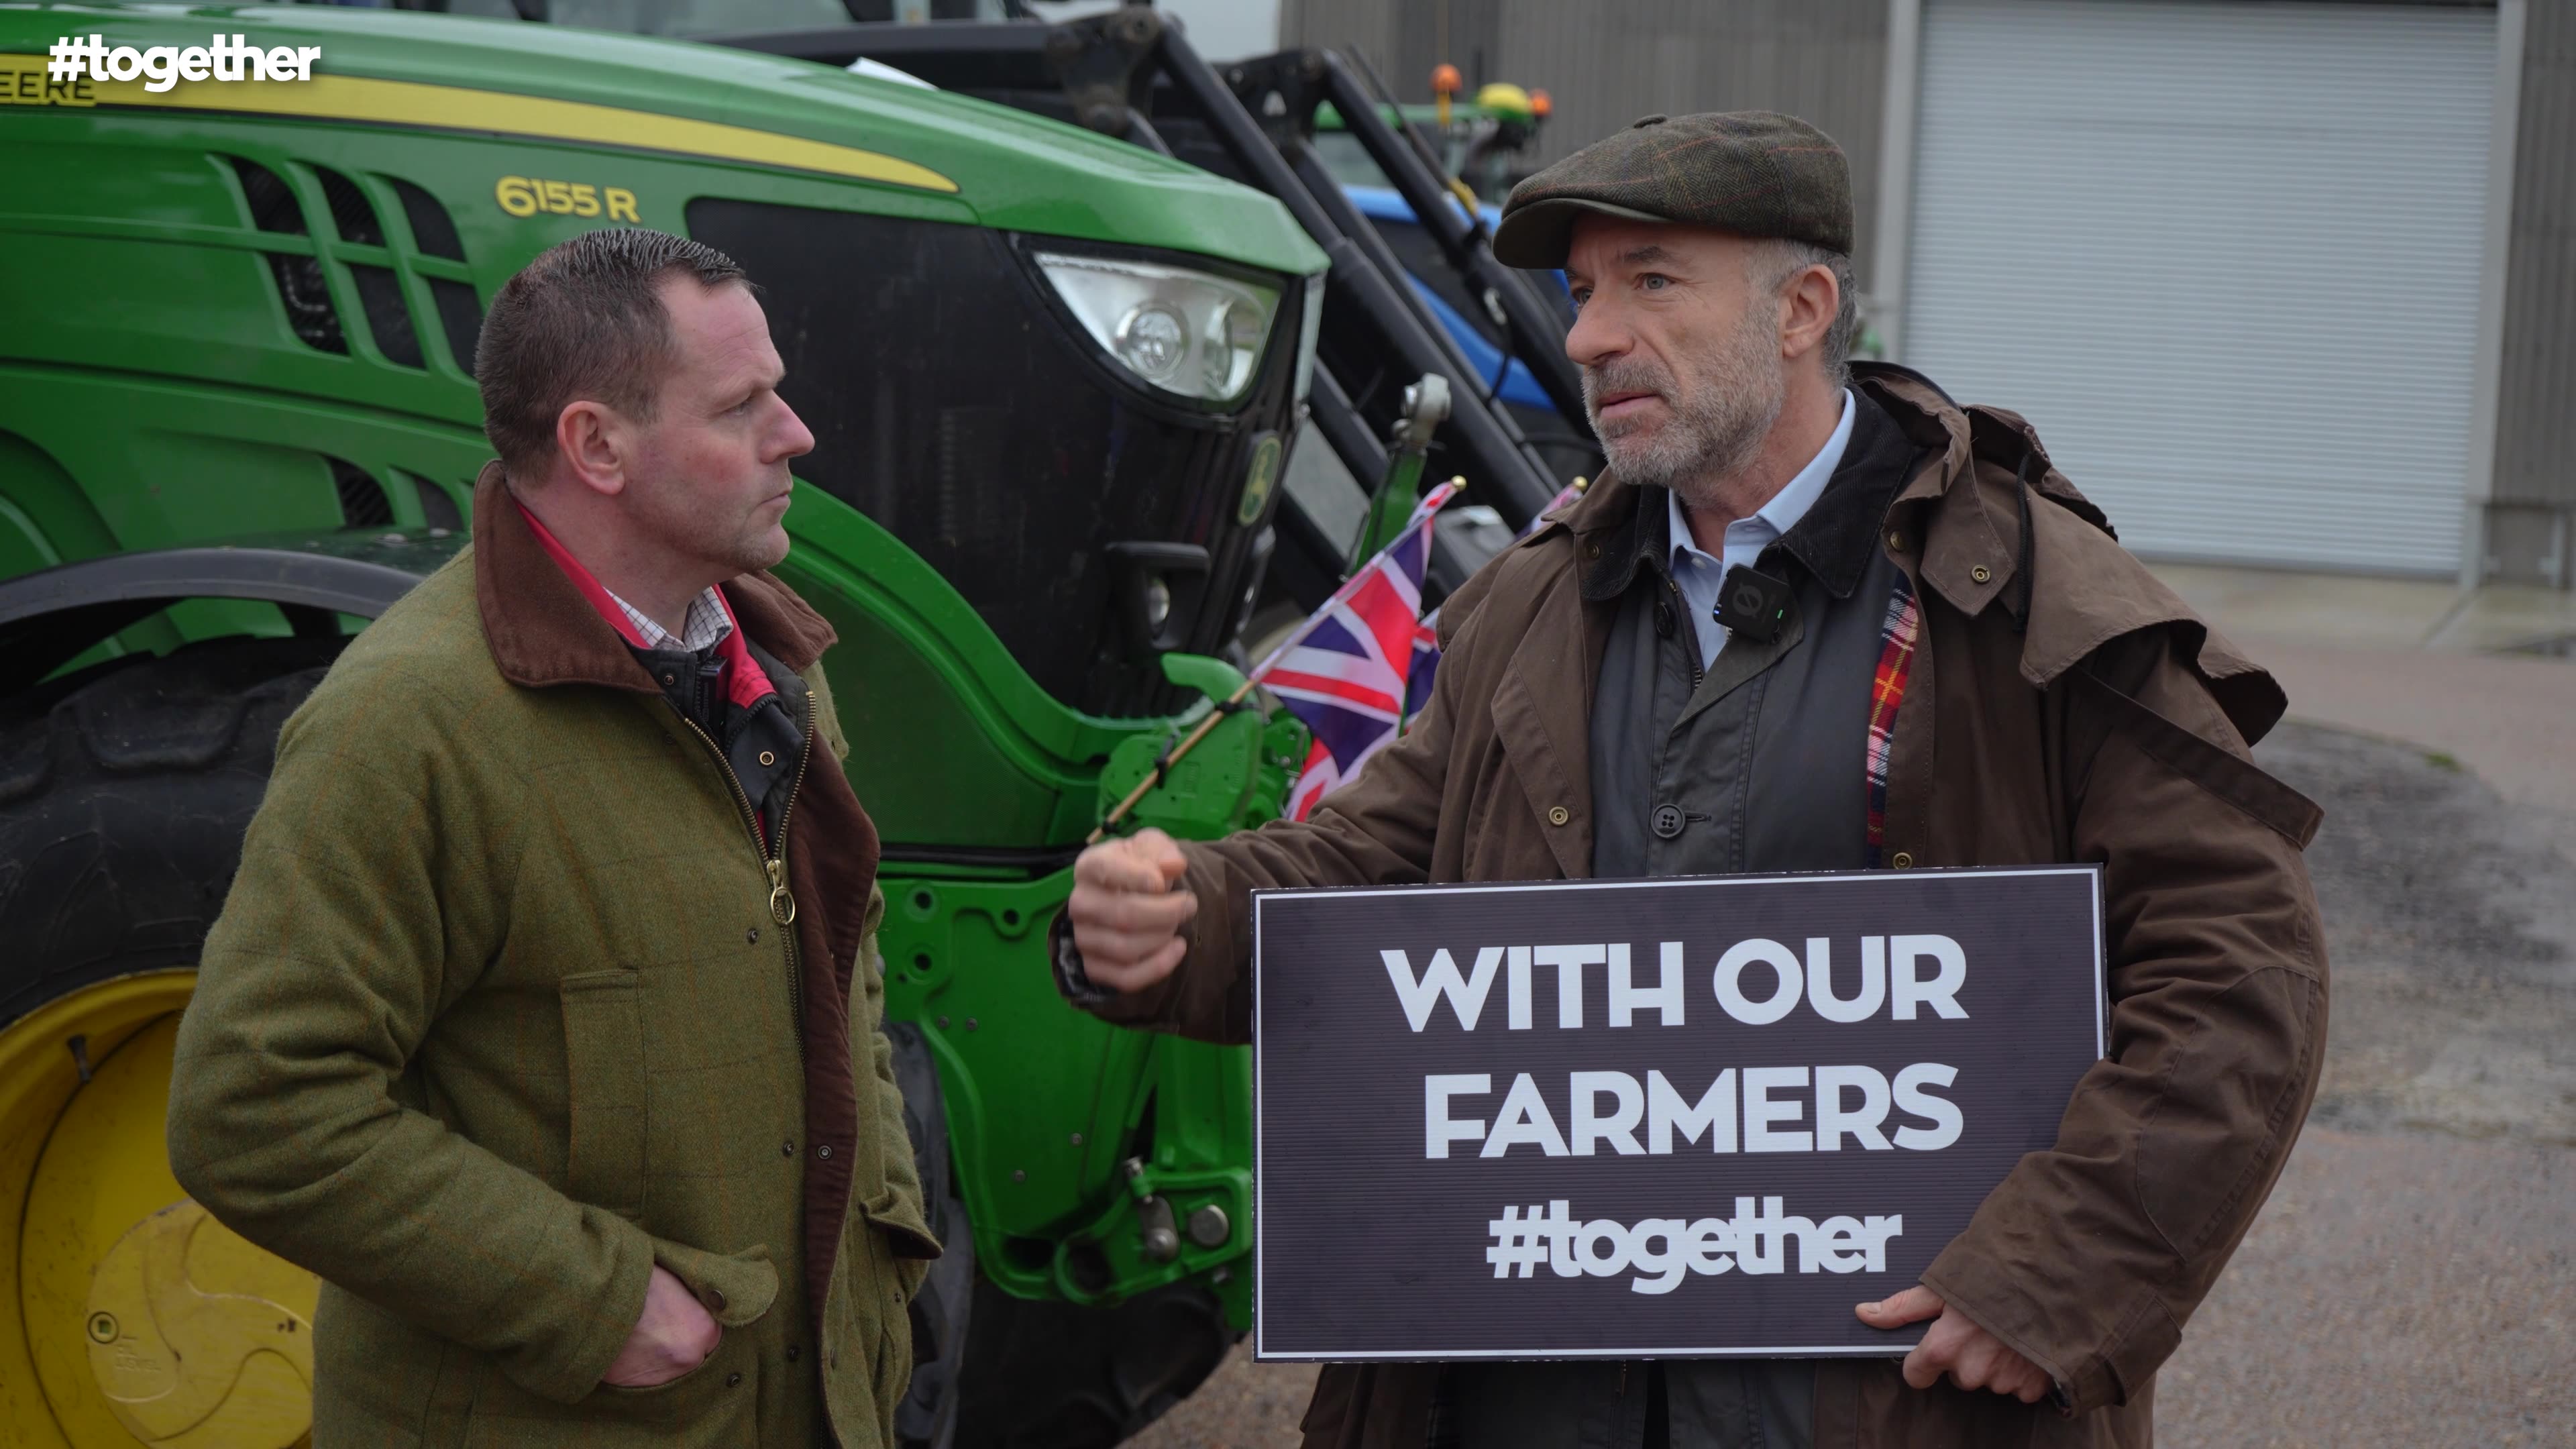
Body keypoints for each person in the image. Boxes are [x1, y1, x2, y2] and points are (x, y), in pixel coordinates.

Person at [1059, 112, 2325, 1448]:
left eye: (1651, 281)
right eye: (1583, 294)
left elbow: (2238, 970)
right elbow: (1367, 881)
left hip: (1891, 1408)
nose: (1595, 336)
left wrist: (2058, 1276)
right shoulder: (1527, 606)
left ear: (1802, 310)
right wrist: (1181, 916)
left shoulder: (2023, 599)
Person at [168, 227, 936, 1447]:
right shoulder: (404, 727)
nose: (795, 435)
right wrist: (592, 1298)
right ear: (595, 445)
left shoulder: (775, 664)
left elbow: (850, 967)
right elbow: (254, 1112)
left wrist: (885, 1235)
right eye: (743, 406)